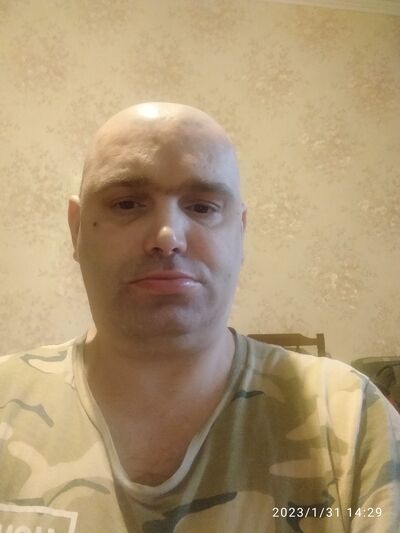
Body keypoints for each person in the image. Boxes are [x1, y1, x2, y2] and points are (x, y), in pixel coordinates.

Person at [0, 102, 399, 533]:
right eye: (127, 203)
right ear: (76, 228)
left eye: (203, 207)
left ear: (240, 231)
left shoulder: (352, 418)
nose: (167, 237)